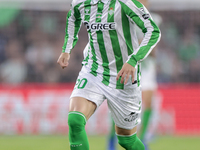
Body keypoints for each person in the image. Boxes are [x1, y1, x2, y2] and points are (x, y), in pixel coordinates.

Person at [57, 0, 161, 149]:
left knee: (127, 140)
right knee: (75, 120)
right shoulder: (80, 2)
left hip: (124, 77)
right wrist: (66, 49)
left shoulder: (126, 3)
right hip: (93, 70)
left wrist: (133, 60)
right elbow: (73, 17)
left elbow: (153, 31)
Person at [136, 0, 162, 149]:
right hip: (130, 67)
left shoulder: (154, 20)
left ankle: (143, 138)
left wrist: (147, 46)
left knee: (149, 104)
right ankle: (112, 138)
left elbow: (152, 49)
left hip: (147, 69)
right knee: (121, 104)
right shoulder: (127, 19)